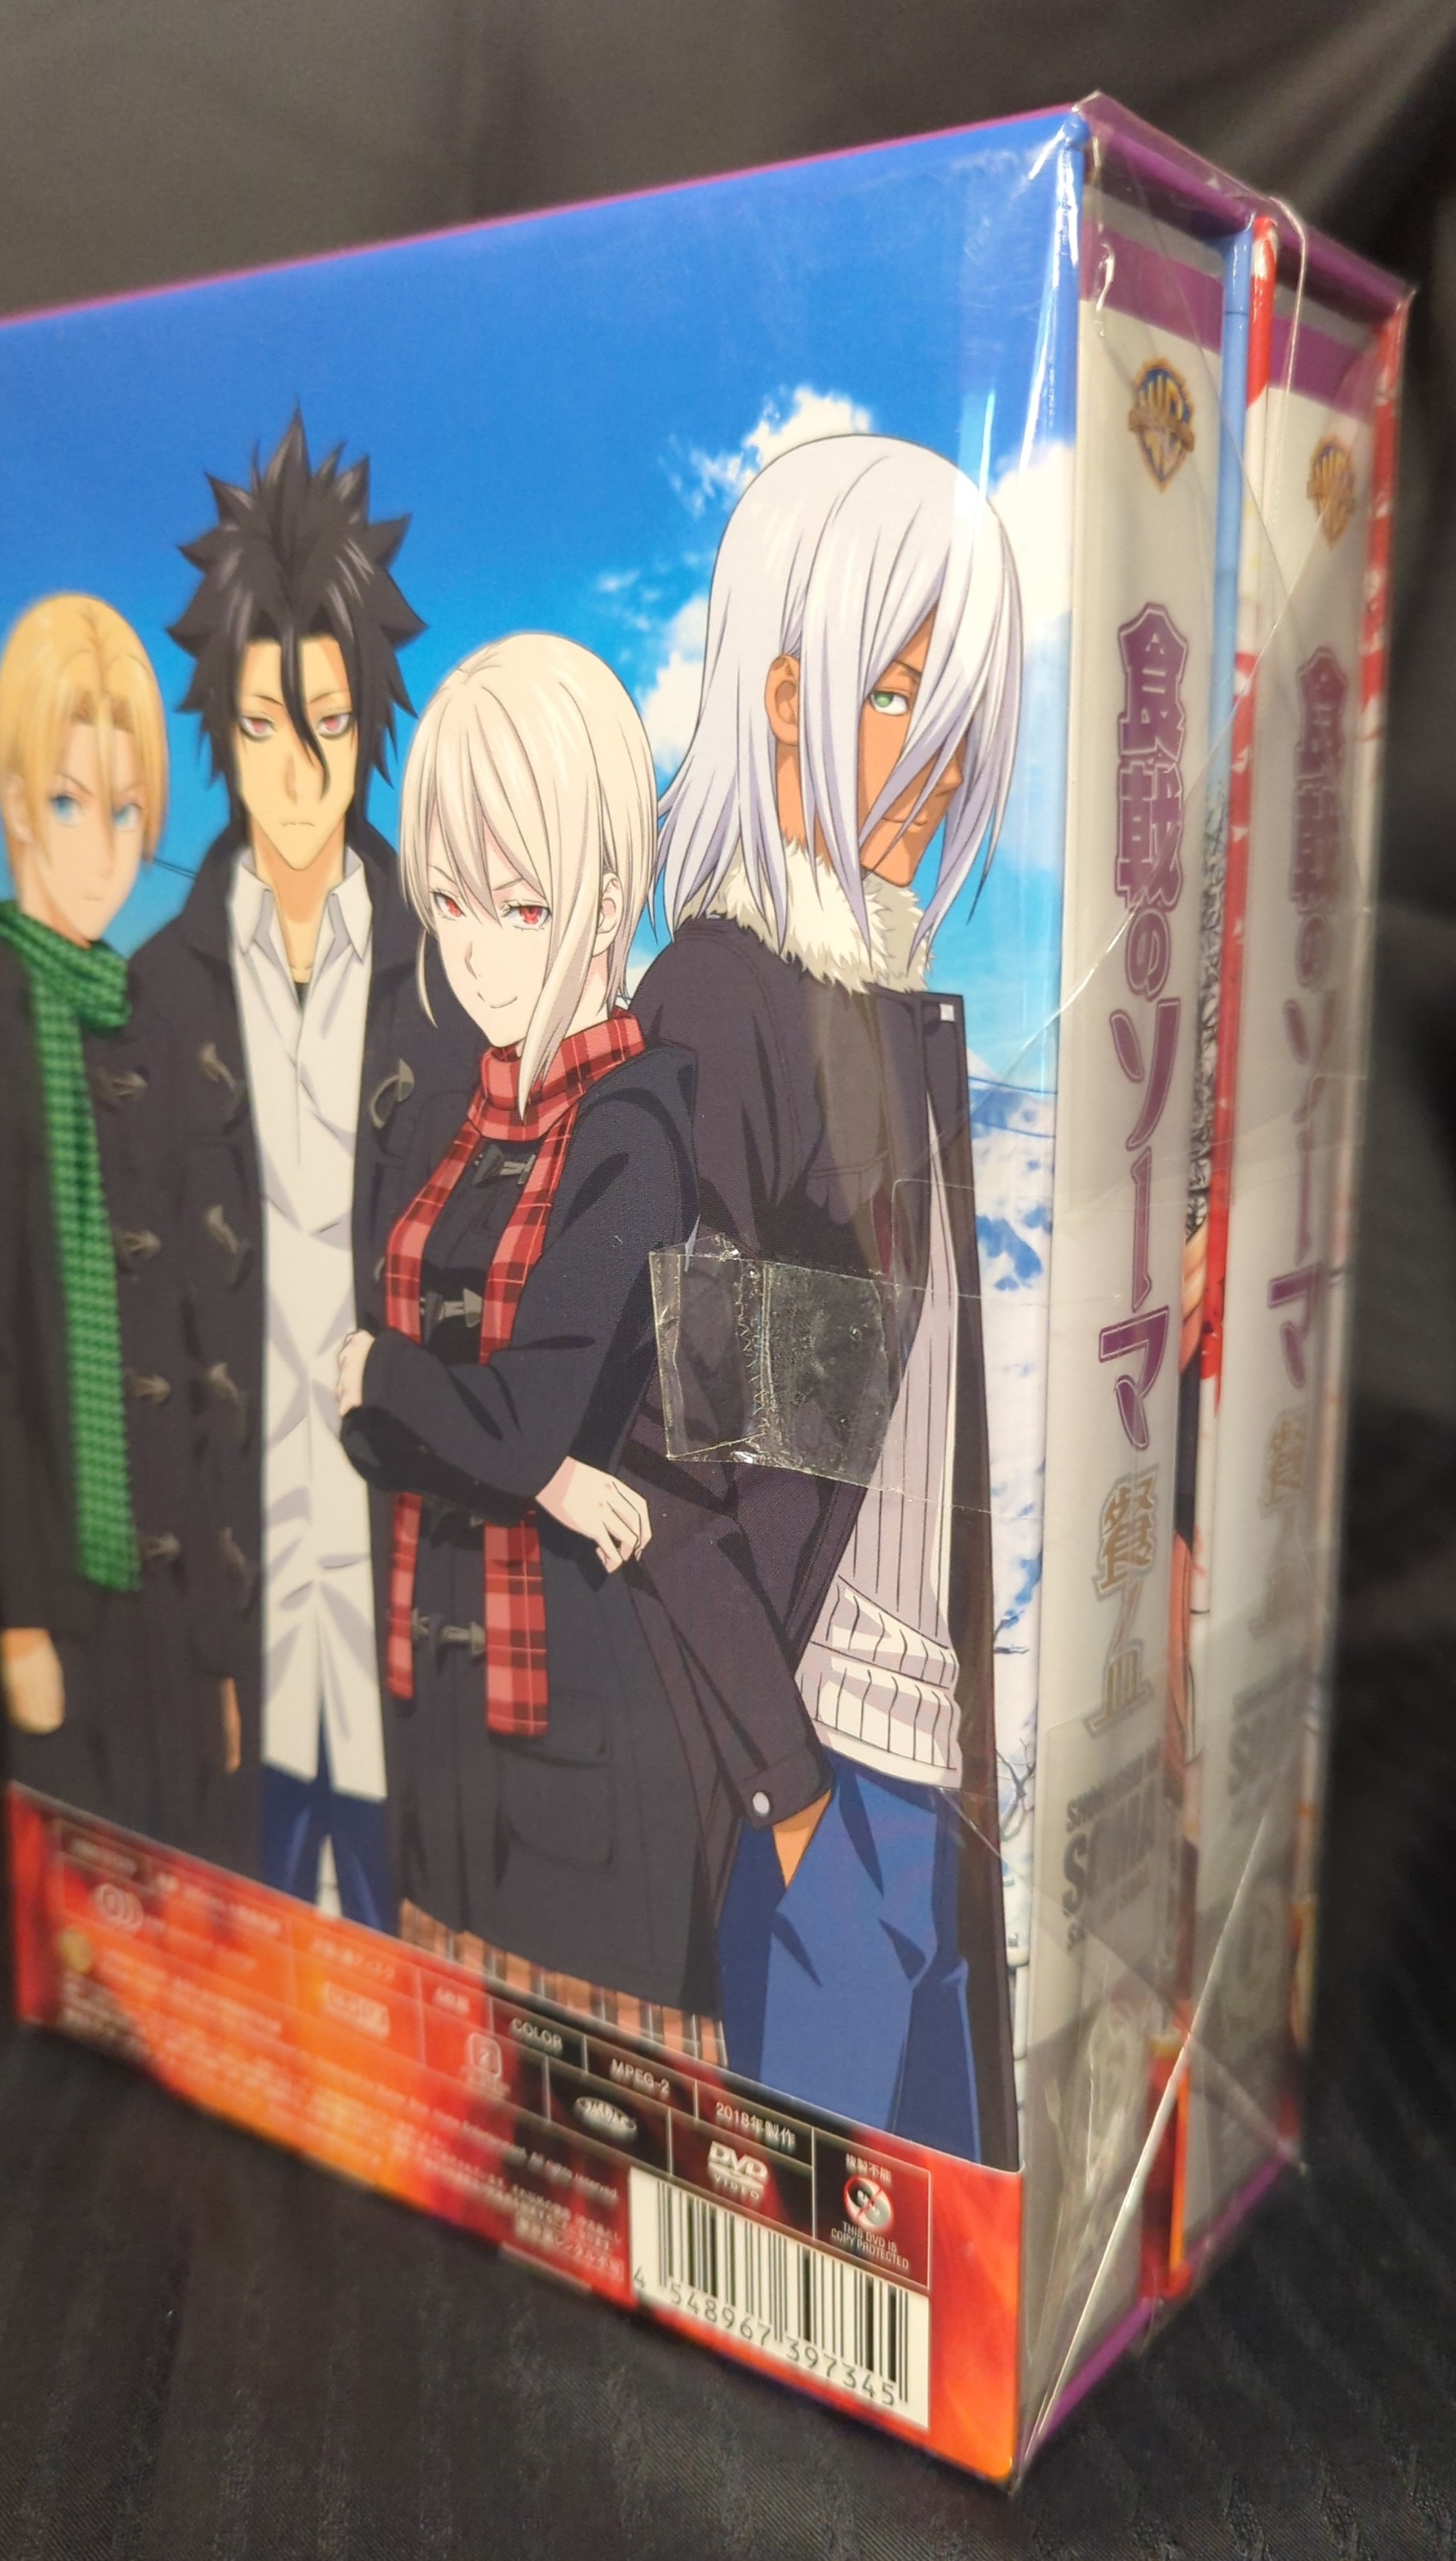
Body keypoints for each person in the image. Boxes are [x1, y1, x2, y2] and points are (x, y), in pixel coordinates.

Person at [626, 435, 1022, 2162]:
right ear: (781, 698)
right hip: (824, 1791)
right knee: (823, 2235)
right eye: (895, 694)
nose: (936, 763)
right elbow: (672, 1466)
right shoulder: (721, 1005)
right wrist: (787, 1793)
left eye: (955, 711)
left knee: (933, 2246)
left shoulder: (890, 1018)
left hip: (929, 1781)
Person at [334, 633, 716, 2053]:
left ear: (608, 893)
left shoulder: (635, 1126)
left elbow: (500, 1413)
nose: (480, 951)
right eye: (450, 902)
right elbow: (412, 1442)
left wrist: (387, 1378)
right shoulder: (464, 1113)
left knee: (594, 2109)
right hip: (439, 1721)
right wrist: (532, 1472)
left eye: (521, 902)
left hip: (580, 1737)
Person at [127, 416, 481, 1910]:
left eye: (328, 723)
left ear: (370, 721)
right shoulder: (163, 992)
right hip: (240, 1571)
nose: (296, 771)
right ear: (219, 724)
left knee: (403, 1920)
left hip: (403, 1570)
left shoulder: (443, 974)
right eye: (264, 727)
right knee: (258, 1915)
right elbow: (145, 1325)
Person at [0, 592, 235, 1850]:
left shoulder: (140, 1022)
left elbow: (185, 1322)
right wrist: (19, 1618)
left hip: (171, 1586)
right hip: (67, 1584)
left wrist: (217, 1644)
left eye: (127, 815)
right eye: (70, 803)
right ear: (16, 799)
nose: (102, 853)